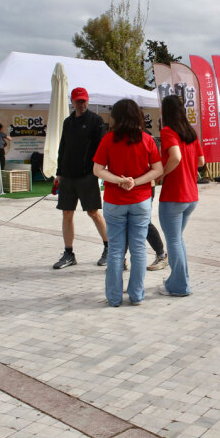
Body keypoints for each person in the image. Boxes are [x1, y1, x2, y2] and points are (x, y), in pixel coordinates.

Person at [92, 98, 163, 306]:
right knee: (139, 249)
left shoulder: (108, 139)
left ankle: (114, 297)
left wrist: (119, 180)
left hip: (115, 200)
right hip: (141, 200)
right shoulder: (147, 139)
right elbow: (157, 169)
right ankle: (136, 295)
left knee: (115, 249)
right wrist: (136, 182)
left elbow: (97, 169)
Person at [53, 87, 108, 269]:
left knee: (93, 212)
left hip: (87, 175)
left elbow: (102, 148)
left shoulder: (96, 120)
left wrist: (99, 171)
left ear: (88, 100)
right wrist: (59, 173)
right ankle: (69, 253)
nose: (81, 104)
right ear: (73, 101)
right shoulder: (68, 122)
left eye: (84, 100)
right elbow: (63, 148)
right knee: (66, 213)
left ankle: (109, 248)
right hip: (68, 176)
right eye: (78, 101)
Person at [157, 95, 205, 297]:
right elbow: (201, 161)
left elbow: (175, 156)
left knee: (174, 241)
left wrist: (162, 173)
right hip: (191, 195)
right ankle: (178, 281)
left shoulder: (168, 131)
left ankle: (179, 286)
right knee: (177, 239)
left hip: (174, 194)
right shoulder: (190, 132)